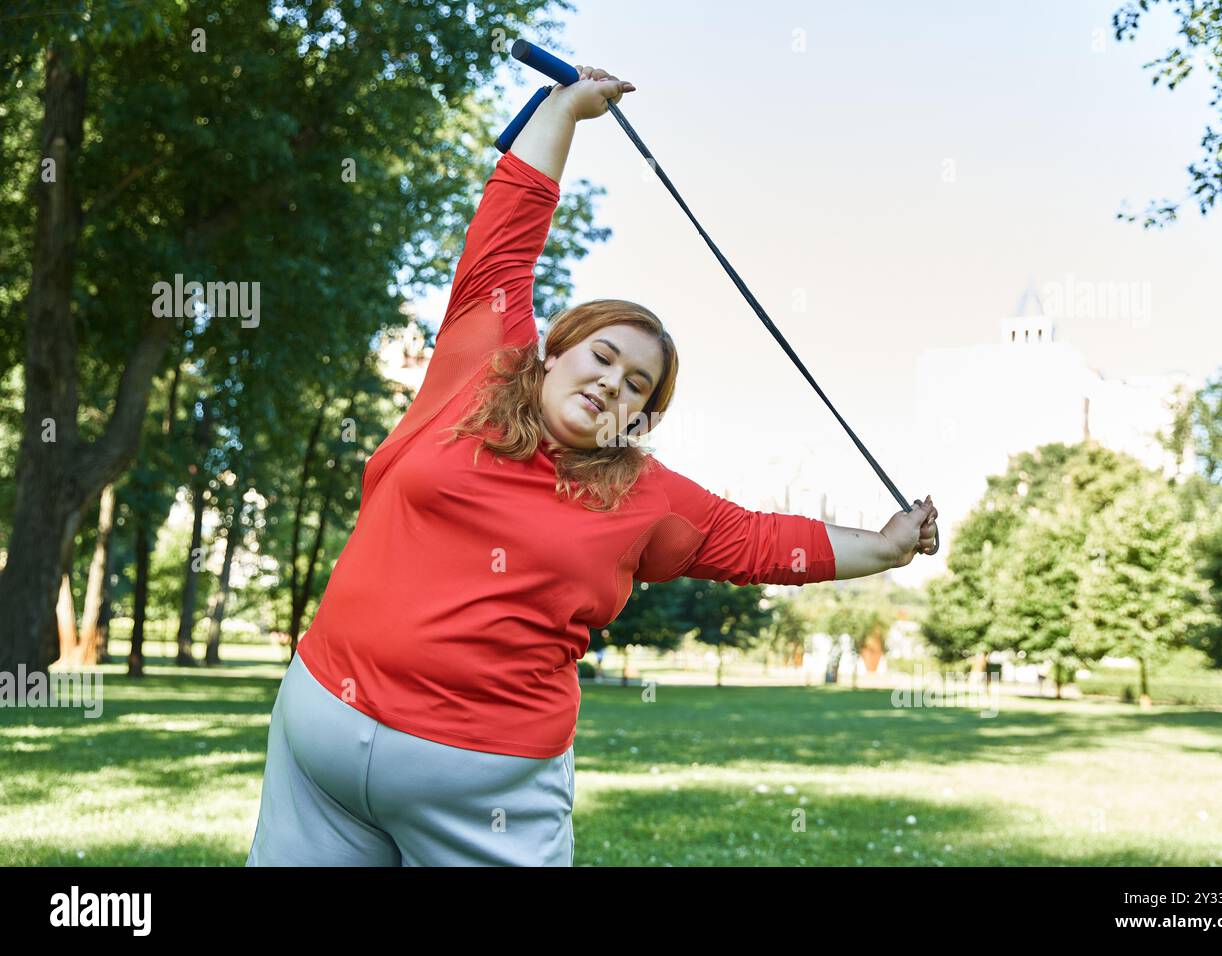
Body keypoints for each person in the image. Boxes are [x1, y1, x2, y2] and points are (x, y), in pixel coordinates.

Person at [245, 66, 939, 867]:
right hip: (323, 731)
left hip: (483, 791)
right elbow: (507, 226)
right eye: (602, 355)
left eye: (636, 383)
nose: (612, 380)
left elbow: (762, 541)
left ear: (640, 414)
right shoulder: (477, 368)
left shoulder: (645, 497)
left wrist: (886, 548)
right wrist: (567, 109)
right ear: (554, 352)